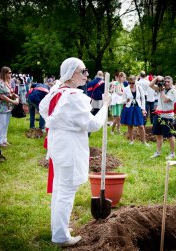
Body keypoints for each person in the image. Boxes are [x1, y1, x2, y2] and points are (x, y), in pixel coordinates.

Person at [39, 57, 112, 247]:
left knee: (60, 188)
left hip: (59, 144)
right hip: (69, 146)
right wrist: (105, 106)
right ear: (71, 75)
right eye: (83, 71)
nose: (87, 75)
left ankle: (59, 228)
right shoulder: (72, 96)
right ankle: (61, 236)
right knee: (66, 190)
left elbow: (44, 111)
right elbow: (93, 124)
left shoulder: (58, 92)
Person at [149, 75, 176, 159]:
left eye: (169, 82)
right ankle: (158, 152)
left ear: (172, 83)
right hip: (158, 115)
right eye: (165, 81)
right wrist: (157, 78)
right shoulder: (162, 88)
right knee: (158, 135)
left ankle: (172, 153)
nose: (167, 83)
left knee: (170, 135)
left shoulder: (173, 91)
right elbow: (150, 85)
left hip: (168, 116)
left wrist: (161, 91)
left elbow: (165, 99)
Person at [0, 66, 20, 147]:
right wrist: (13, 101)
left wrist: (15, 96)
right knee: (2, 124)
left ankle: (4, 140)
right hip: (1, 106)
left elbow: (9, 93)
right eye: (9, 72)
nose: (11, 74)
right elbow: (2, 96)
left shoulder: (7, 83)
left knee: (6, 124)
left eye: (11, 72)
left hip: (8, 106)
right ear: (4, 73)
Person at [121, 75, 148, 145]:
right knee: (130, 125)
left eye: (133, 83)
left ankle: (144, 142)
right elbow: (122, 100)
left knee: (141, 125)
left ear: (135, 81)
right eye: (129, 83)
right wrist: (126, 100)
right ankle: (131, 140)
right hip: (129, 108)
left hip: (138, 107)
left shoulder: (139, 88)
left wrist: (143, 109)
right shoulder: (126, 89)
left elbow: (143, 99)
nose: (131, 84)